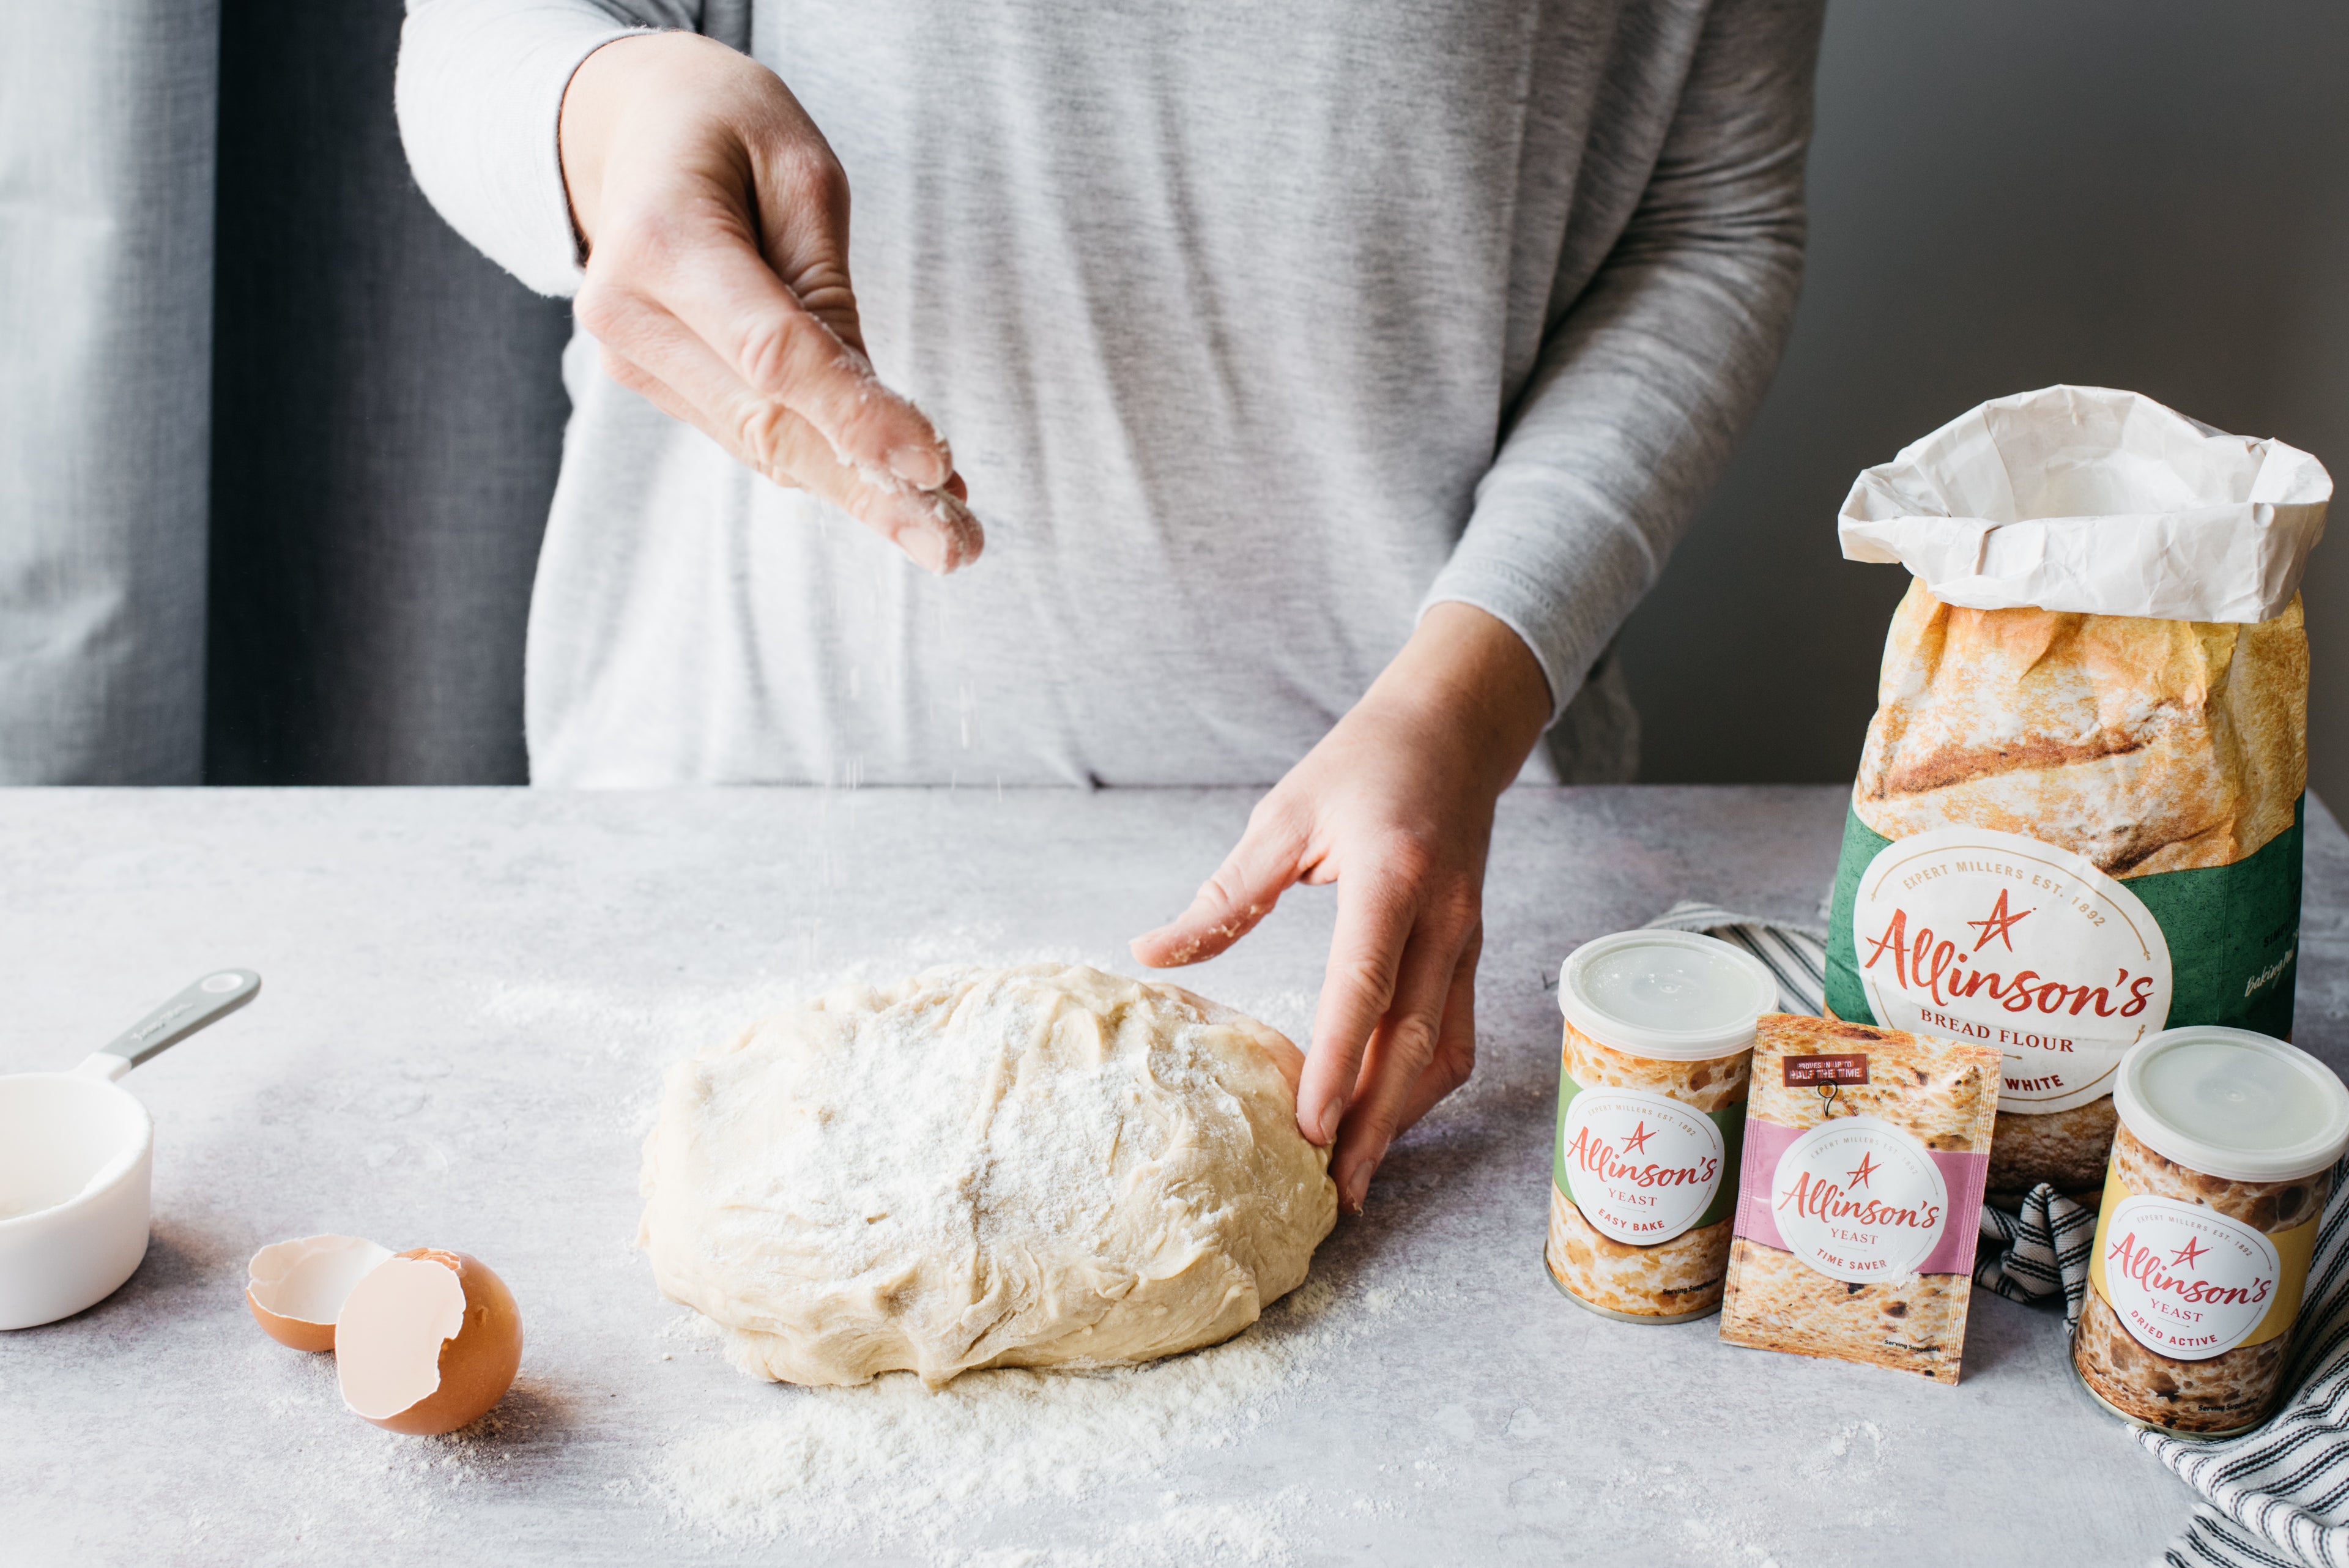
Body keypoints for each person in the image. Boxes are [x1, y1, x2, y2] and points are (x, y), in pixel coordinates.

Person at [396, 0, 1822, 1211]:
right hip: (742, 792)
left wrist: (1472, 692)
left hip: (1388, 881)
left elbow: (1710, 220)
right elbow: (476, 41)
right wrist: (600, 101)